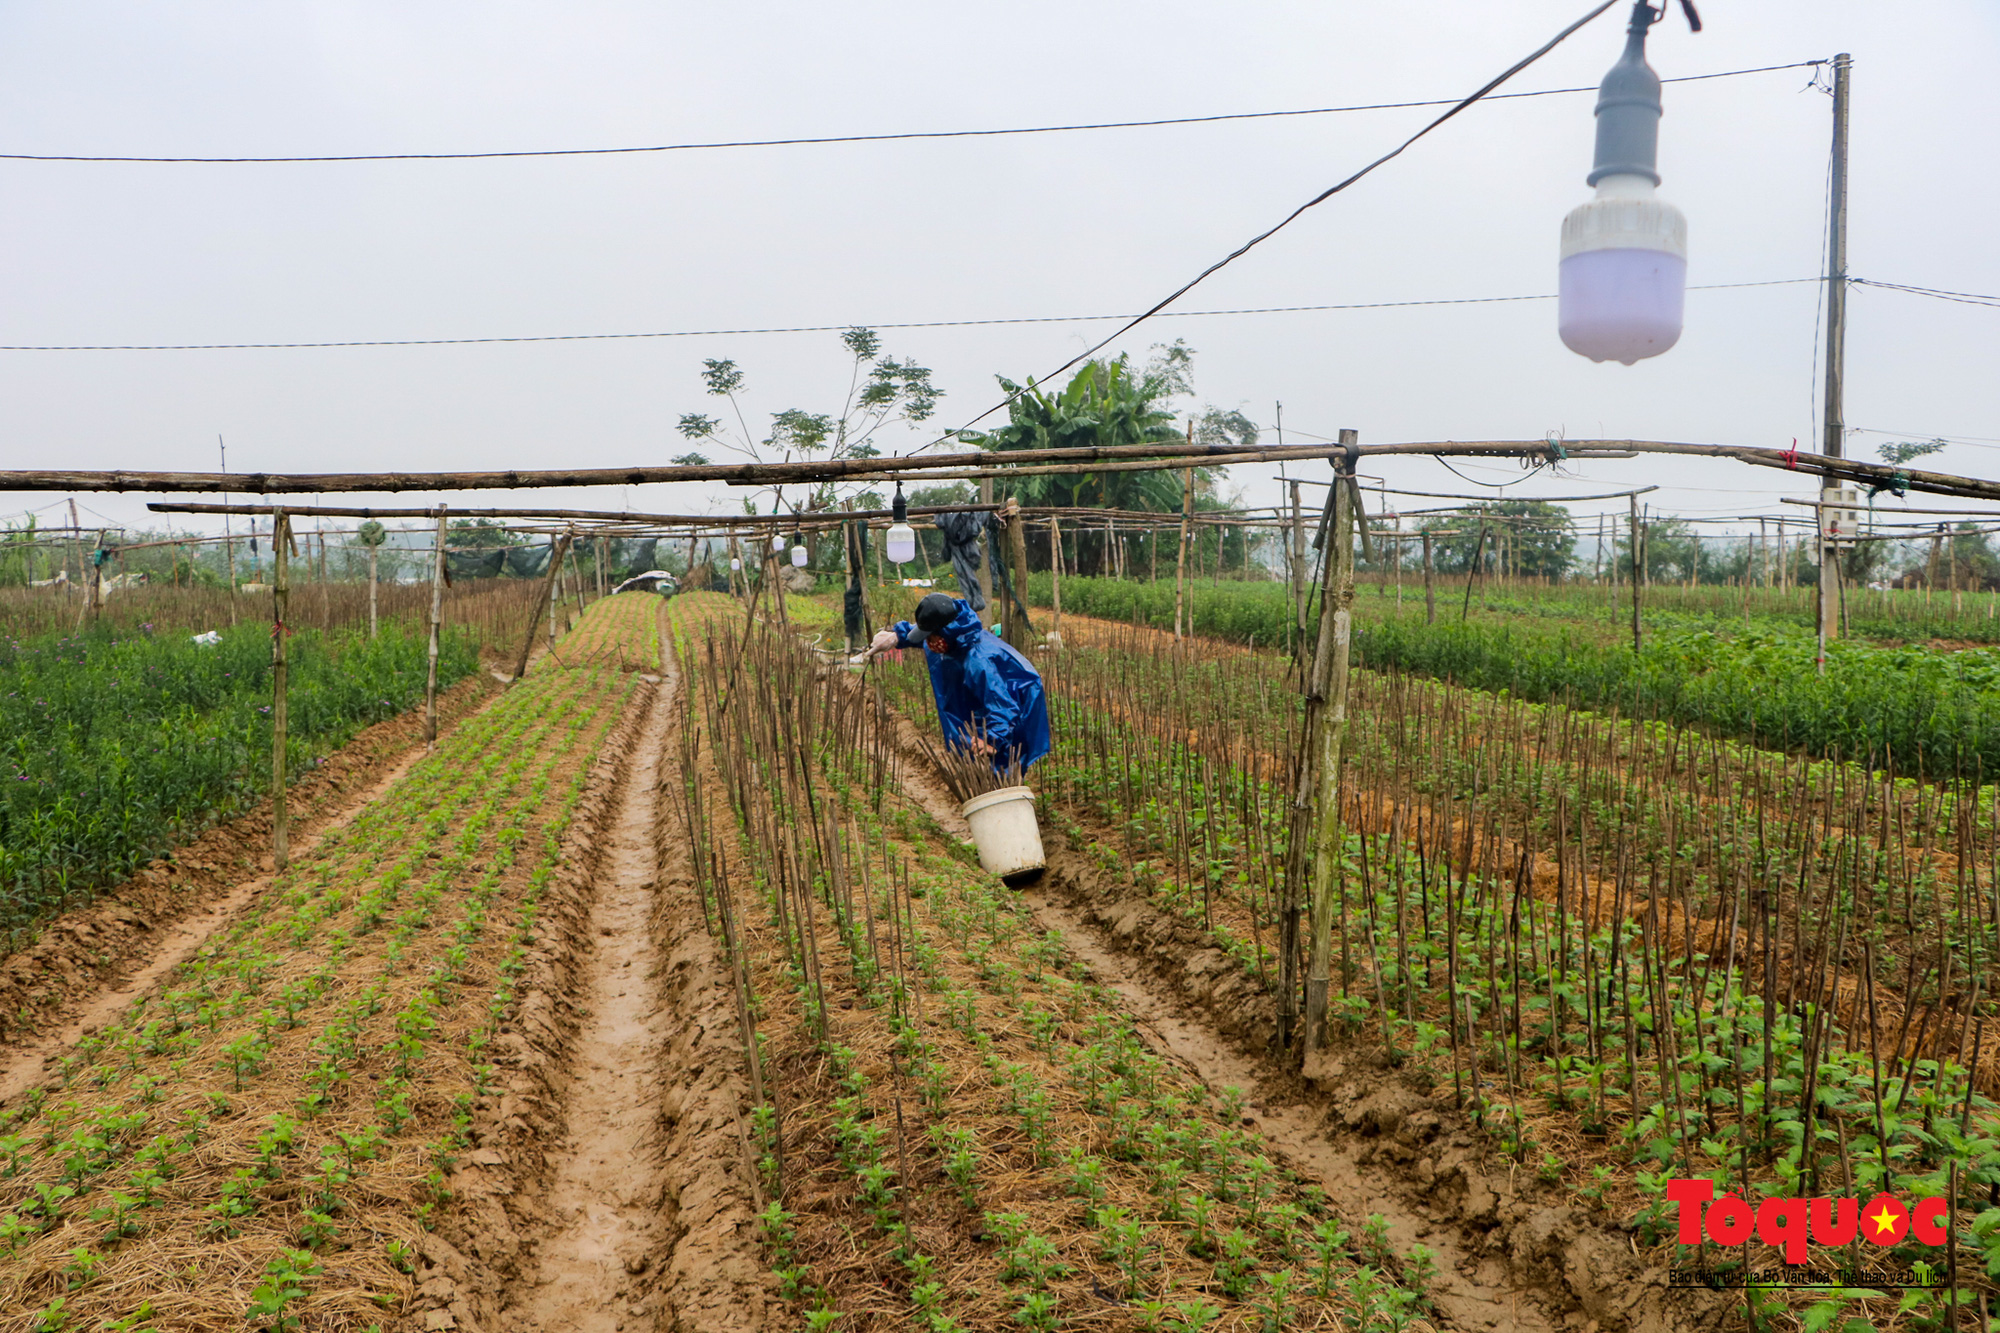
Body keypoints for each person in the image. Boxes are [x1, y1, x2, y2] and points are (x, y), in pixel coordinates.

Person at [872, 592, 1051, 772]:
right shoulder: (954, 640)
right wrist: (897, 636)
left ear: (945, 632)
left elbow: (1001, 704)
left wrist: (993, 739)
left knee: (1000, 774)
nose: (928, 642)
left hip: (1010, 721)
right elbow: (923, 634)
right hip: (980, 710)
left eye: (930, 636)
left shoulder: (978, 661)